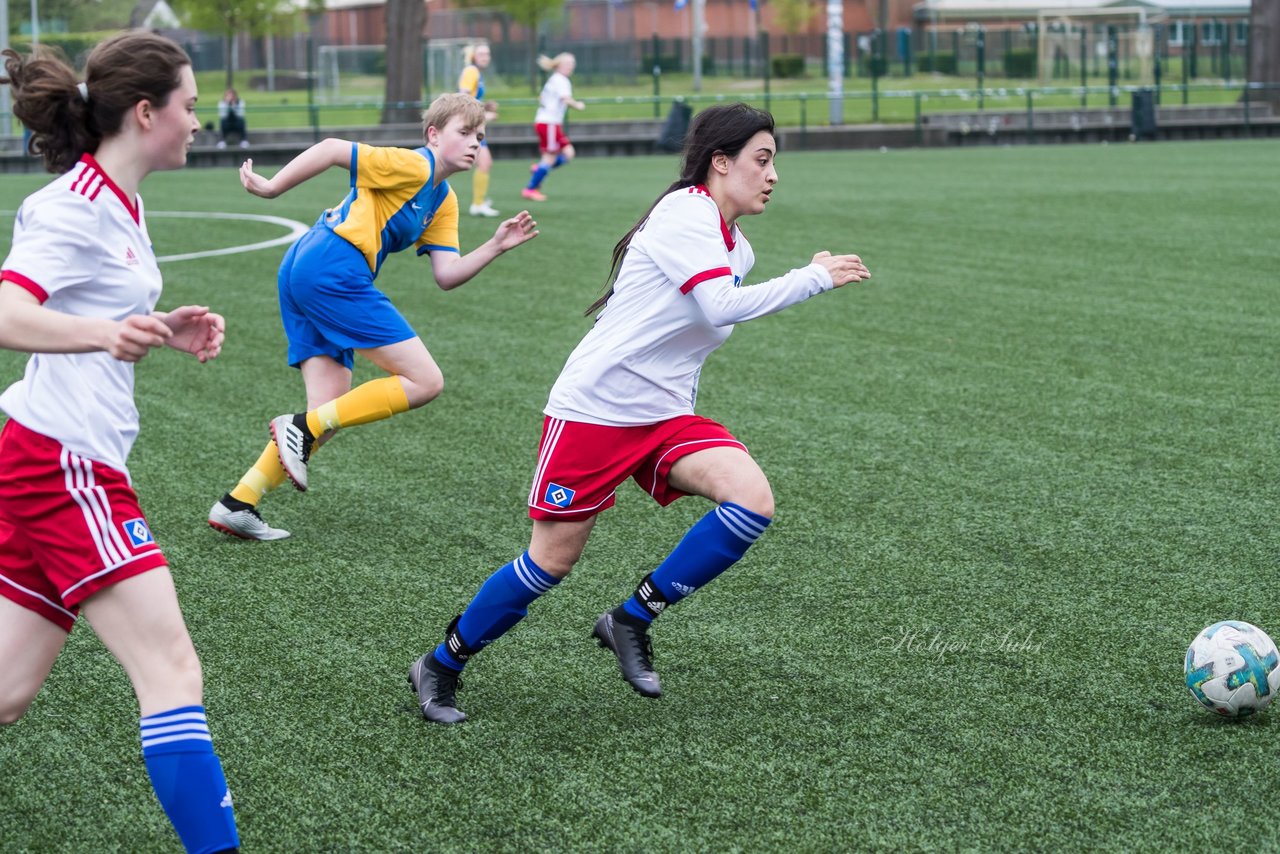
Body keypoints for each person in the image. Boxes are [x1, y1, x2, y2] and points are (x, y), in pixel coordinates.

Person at [409, 103, 871, 724]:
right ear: (720, 162)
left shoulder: (739, 247)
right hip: (595, 411)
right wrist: (813, 277)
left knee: (752, 500)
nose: (772, 175)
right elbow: (720, 303)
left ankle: (630, 618)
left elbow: (712, 310)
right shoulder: (684, 213)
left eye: (774, 163)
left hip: (663, 417)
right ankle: (441, 663)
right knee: (551, 563)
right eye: (762, 160)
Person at [0, 32, 240, 852]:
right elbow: (6, 313)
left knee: (5, 691)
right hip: (65, 464)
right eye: (191, 104)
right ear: (148, 111)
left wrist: (159, 329)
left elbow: (95, 309)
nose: (199, 120)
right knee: (171, 672)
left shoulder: (118, 198)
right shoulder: (72, 204)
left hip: (48, 456)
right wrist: (105, 332)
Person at [208, 92, 538, 541]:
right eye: (464, 133)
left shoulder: (443, 200)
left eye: (480, 136)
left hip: (308, 266)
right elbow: (329, 150)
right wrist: (271, 188)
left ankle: (238, 503)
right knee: (426, 381)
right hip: (331, 266)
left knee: (329, 410)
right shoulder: (414, 164)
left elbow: (447, 274)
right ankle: (299, 428)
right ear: (434, 134)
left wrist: (495, 246)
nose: (474, 144)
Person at [521, 52, 585, 203]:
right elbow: (566, 99)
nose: (571, 67)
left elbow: (544, 98)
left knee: (569, 153)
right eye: (568, 64)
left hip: (550, 123)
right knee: (549, 157)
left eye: (572, 64)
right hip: (548, 123)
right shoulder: (561, 80)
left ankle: (539, 170)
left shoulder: (554, 80)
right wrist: (579, 105)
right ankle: (530, 188)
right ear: (560, 65)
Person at [458, 43, 499, 218]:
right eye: (481, 53)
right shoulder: (471, 71)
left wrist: (485, 105)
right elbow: (463, 97)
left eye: (487, 53)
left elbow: (472, 99)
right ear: (474, 56)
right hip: (471, 126)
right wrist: (483, 114)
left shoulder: (476, 72)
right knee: (484, 163)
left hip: (474, 125)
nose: (485, 56)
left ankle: (479, 201)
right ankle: (477, 204)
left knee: (485, 163)